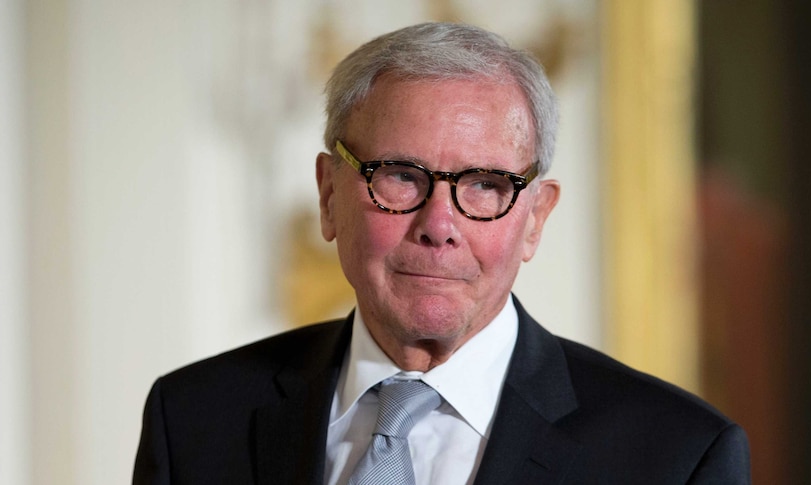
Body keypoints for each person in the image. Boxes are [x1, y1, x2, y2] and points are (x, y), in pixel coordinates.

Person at [133, 22, 750, 485]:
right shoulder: (193, 420)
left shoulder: (676, 457)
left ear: (535, 218)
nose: (440, 224)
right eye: (400, 175)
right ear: (328, 195)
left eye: (486, 185)